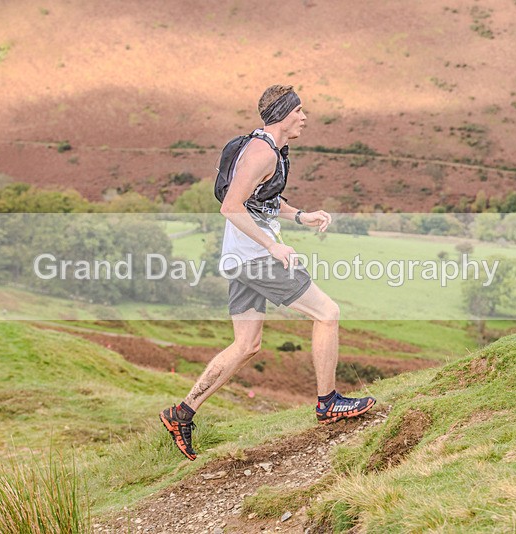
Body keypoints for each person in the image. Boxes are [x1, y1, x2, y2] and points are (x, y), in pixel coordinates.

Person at [160, 84, 375, 461]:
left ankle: (181, 413)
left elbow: (264, 201)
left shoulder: (266, 148)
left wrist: (301, 216)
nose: (304, 117)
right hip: (257, 257)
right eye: (299, 111)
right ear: (282, 114)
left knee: (246, 345)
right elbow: (231, 206)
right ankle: (328, 403)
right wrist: (272, 246)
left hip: (240, 257)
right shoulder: (261, 153)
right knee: (327, 313)